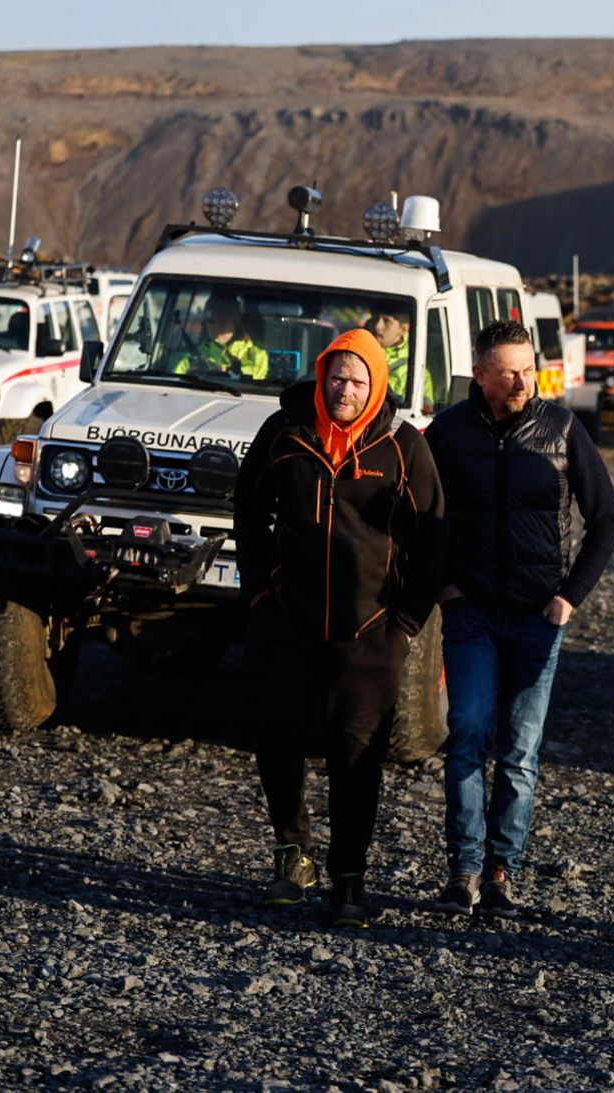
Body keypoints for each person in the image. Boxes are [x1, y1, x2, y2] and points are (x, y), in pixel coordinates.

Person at [234, 328, 446, 925]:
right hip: (288, 624)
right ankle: (290, 856)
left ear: (376, 384)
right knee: (276, 736)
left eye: (357, 381)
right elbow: (248, 509)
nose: (345, 390)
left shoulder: (403, 446)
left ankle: (348, 877)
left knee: (357, 757)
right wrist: (258, 591)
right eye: (336, 378)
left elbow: (433, 535)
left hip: (371, 632)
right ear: (322, 377)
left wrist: (404, 621)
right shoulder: (285, 433)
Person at [425, 319, 614, 917]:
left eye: (527, 369)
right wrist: (444, 587)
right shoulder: (448, 433)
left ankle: (501, 873)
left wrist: (571, 597)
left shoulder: (563, 428)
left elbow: (606, 519)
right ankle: (463, 872)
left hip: (539, 617)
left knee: (519, 752)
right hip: (471, 616)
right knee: (465, 736)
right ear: (480, 372)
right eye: (507, 371)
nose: (520, 381)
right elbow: (416, 516)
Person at [177, 296, 268, 378]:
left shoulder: (256, 355)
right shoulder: (193, 357)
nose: (215, 328)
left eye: (222, 322)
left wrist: (225, 373)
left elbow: (257, 390)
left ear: (235, 323)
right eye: (210, 322)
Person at [366, 303, 426, 406]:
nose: (377, 326)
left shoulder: (417, 370)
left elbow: (416, 415)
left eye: (386, 321)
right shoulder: (352, 350)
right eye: (375, 318)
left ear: (403, 329)